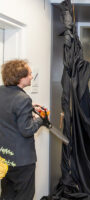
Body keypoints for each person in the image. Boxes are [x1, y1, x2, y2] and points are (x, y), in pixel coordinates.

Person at [0, 59, 44, 200]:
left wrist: (30, 108)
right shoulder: (23, 99)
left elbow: (8, 110)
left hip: (4, 158)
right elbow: (27, 130)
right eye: (30, 74)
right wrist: (41, 120)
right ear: (20, 78)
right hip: (22, 161)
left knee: (7, 194)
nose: (32, 77)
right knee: (24, 195)